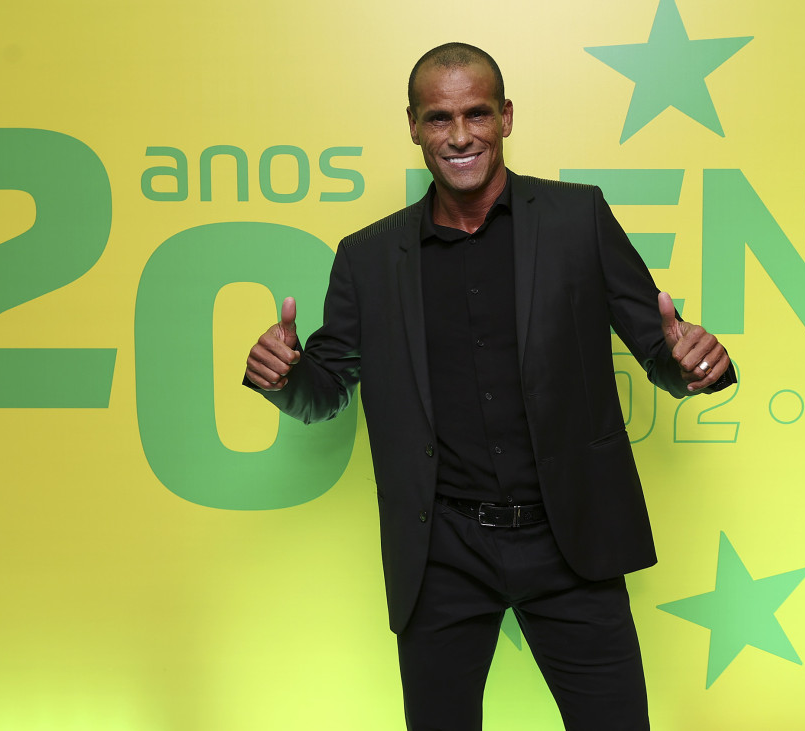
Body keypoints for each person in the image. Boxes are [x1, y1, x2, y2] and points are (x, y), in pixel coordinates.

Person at [244, 42, 733, 731]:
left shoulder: (576, 219)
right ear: (413, 126)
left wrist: (690, 365)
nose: (461, 134)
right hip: (441, 549)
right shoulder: (368, 257)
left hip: (571, 542)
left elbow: (658, 345)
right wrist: (286, 376)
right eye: (439, 118)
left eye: (477, 113)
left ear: (506, 116)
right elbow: (326, 389)